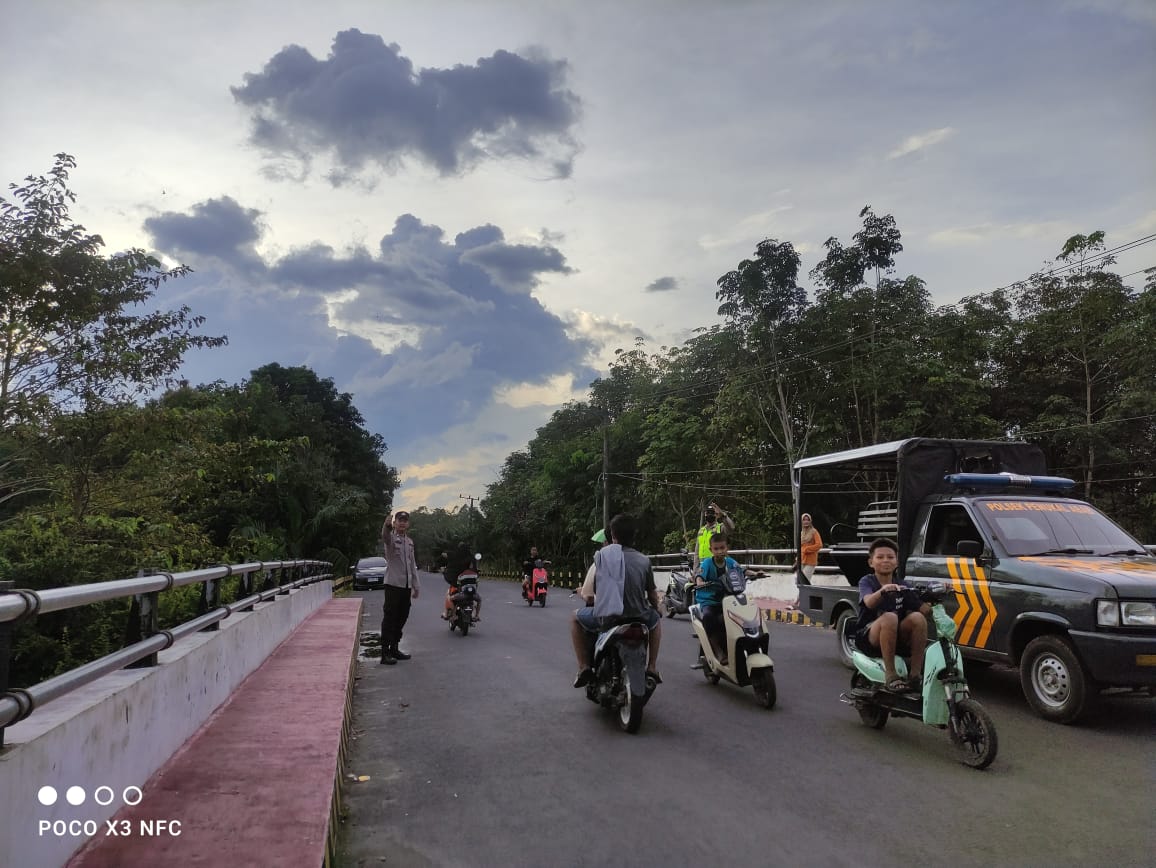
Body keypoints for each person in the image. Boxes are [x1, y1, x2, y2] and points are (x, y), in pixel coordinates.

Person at [570, 514, 662, 687]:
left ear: (613, 536)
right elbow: (651, 593)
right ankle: (652, 666)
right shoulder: (644, 560)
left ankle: (583, 667)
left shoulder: (602, 557)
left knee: (575, 617)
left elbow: (593, 593)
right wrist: (657, 608)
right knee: (656, 621)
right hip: (639, 616)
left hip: (609, 618)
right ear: (633, 536)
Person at [854, 538, 930, 691]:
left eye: (890, 557)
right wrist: (883, 591)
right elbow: (868, 602)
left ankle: (915, 676)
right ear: (871, 562)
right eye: (880, 557)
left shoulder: (903, 584)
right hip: (869, 637)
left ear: (896, 562)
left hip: (895, 637)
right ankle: (891, 675)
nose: (885, 561)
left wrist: (938, 595)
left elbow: (924, 610)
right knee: (890, 617)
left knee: (918, 618)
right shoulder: (867, 581)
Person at [694, 532, 760, 666]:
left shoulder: (730, 562)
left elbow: (742, 571)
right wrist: (700, 582)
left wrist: (755, 574)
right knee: (709, 617)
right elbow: (699, 575)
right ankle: (718, 651)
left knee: (740, 618)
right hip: (710, 601)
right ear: (711, 550)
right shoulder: (707, 563)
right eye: (716, 549)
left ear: (727, 548)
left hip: (729, 600)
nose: (720, 551)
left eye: (722, 548)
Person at [380, 510, 420, 665]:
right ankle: (385, 653)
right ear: (395, 523)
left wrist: (416, 586)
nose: (402, 522)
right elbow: (385, 536)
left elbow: (412, 565)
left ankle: (395, 648)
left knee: (402, 617)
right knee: (389, 618)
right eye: (399, 520)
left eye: (405, 520)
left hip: (406, 587)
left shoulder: (409, 542)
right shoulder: (391, 539)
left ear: (408, 524)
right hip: (392, 585)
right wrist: (386, 526)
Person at [442, 542, 482, 622]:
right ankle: (477, 615)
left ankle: (450, 615)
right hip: (471, 593)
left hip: (458, 587)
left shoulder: (460, 575)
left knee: (451, 597)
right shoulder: (473, 573)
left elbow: (459, 586)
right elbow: (477, 584)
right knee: (479, 600)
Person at [695, 502, 734, 568]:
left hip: (717, 564)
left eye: (712, 513)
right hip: (703, 566)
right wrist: (695, 570)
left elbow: (731, 528)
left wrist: (723, 515)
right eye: (708, 512)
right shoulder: (701, 531)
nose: (710, 514)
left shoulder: (720, 527)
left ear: (716, 515)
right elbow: (696, 553)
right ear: (705, 514)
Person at [799, 513, 823, 580]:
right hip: (801, 560)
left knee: (805, 580)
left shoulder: (814, 531)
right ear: (801, 521)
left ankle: (809, 590)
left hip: (811, 561)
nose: (806, 521)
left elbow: (819, 544)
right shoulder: (801, 533)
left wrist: (807, 549)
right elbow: (801, 547)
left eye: (807, 520)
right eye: (804, 520)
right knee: (797, 579)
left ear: (810, 521)